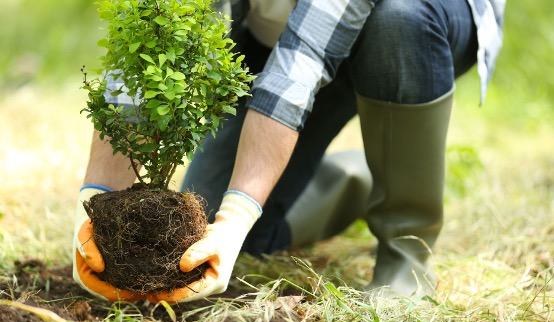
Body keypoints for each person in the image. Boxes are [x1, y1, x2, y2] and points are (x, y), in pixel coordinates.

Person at [73, 0, 505, 302]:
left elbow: (301, 62)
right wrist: (95, 204)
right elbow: (165, 28)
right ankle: (361, 179)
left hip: (415, 26)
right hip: (271, 27)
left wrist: (238, 211)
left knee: (398, 19)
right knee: (218, 239)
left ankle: (405, 250)